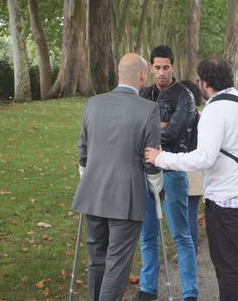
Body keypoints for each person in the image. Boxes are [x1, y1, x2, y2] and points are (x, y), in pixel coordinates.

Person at [145, 57, 238, 301]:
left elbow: (204, 158)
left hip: (226, 199)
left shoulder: (214, 109)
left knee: (228, 263)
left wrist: (161, 158)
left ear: (205, 82)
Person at [72, 53, 162, 301]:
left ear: (119, 73)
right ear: (143, 75)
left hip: (93, 194)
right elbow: (151, 158)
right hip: (126, 196)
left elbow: (83, 151)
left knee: (97, 256)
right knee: (117, 262)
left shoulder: (93, 103)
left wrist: (86, 177)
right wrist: (157, 188)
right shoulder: (149, 108)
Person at [134, 46, 199, 301]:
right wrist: (160, 124)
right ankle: (148, 288)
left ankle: (190, 292)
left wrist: (152, 128)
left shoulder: (185, 96)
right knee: (147, 235)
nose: (161, 72)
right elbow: (135, 131)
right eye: (157, 67)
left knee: (181, 235)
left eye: (166, 67)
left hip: (173, 170)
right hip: (145, 169)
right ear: (150, 68)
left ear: (173, 66)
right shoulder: (144, 94)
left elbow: (175, 133)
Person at [180, 79, 203, 253]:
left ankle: (189, 251)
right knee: (191, 213)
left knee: (187, 214)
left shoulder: (180, 116)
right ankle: (190, 249)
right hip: (198, 170)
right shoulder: (201, 116)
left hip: (185, 168)